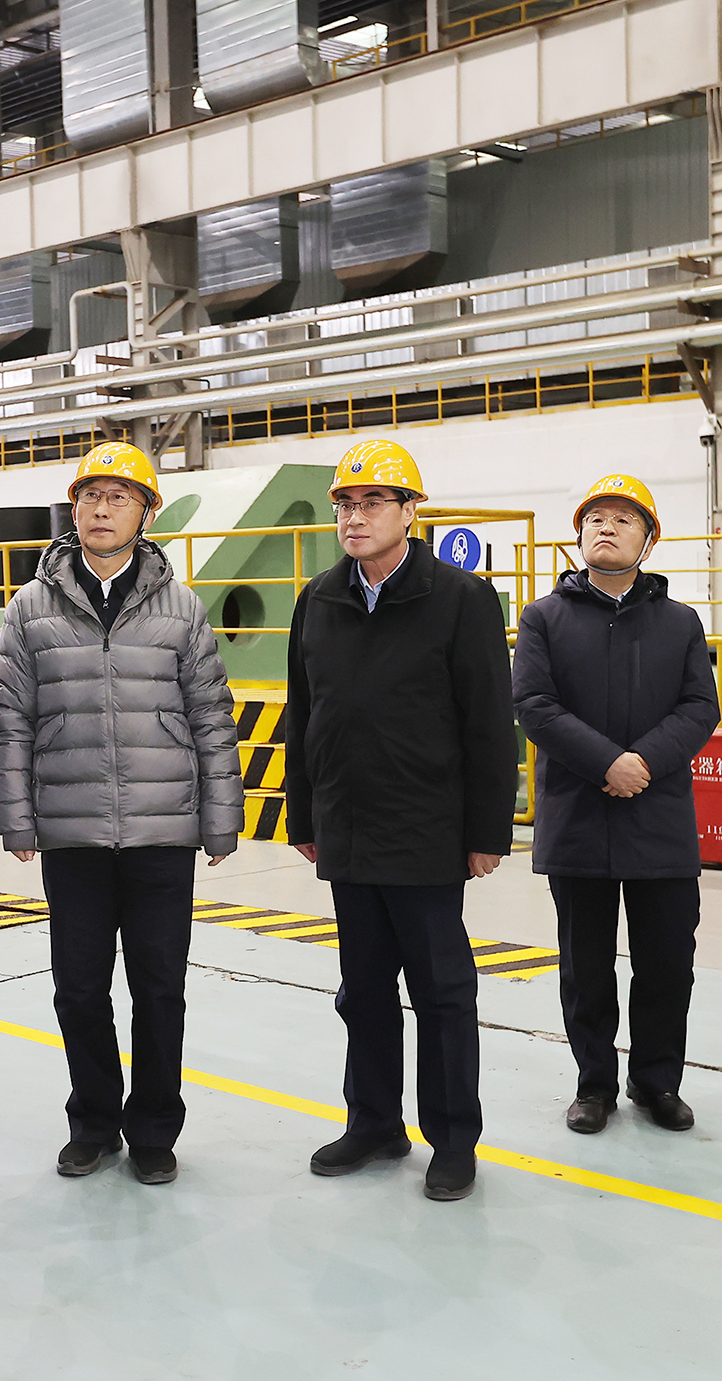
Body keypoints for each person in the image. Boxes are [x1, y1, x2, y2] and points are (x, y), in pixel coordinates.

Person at [0, 441, 243, 1186]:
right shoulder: (30, 607)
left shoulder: (181, 607)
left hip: (162, 829)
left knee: (160, 989)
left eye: (118, 497)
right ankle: (94, 1122)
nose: (101, 510)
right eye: (89, 496)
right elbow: (13, 722)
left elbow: (211, 716)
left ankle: (156, 1128)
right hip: (72, 830)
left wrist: (220, 818)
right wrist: (16, 817)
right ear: (73, 510)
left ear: (147, 514)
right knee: (78, 989)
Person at [283, 439, 516, 1202]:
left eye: (373, 502)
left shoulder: (460, 598)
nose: (355, 517)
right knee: (364, 991)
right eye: (345, 505)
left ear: (411, 510)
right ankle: (374, 1122)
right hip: (347, 827)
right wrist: (303, 812)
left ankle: (452, 1138)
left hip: (427, 830)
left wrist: (487, 831)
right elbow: (303, 714)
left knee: (442, 992)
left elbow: (489, 721)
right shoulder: (317, 599)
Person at [512, 475, 720, 1135]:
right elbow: (533, 704)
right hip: (580, 817)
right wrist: (607, 762)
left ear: (648, 541)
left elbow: (701, 707)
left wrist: (643, 762)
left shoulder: (680, 623)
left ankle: (657, 1083)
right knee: (586, 966)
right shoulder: (544, 618)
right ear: (579, 536)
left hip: (658, 818)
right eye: (595, 518)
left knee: (667, 963)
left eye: (623, 519)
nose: (606, 526)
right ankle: (594, 1085)